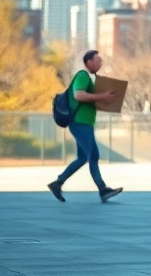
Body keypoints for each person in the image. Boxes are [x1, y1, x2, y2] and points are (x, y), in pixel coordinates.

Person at [48, 50, 123, 203]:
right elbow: (78, 95)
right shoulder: (83, 76)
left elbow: (87, 98)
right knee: (93, 156)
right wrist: (102, 97)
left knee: (83, 158)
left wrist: (106, 100)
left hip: (83, 124)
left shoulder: (89, 79)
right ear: (88, 62)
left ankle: (58, 183)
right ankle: (103, 190)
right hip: (79, 123)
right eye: (98, 61)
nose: (101, 64)